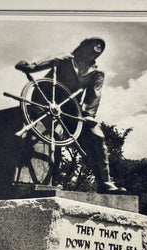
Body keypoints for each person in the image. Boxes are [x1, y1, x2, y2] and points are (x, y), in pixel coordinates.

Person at [15, 37, 126, 194]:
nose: (98, 48)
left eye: (101, 47)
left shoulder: (97, 73)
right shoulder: (67, 59)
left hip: (71, 109)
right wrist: (31, 67)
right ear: (83, 47)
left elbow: (94, 94)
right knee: (52, 135)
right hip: (47, 101)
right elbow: (48, 61)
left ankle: (105, 183)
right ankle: (51, 181)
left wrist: (88, 115)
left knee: (97, 137)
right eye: (94, 45)